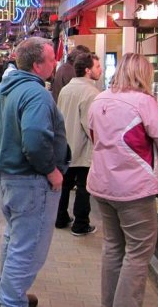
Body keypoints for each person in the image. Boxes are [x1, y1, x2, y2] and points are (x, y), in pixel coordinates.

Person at [87, 53, 158, 307]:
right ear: (143, 74)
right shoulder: (143, 102)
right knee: (137, 254)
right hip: (135, 189)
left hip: (102, 184)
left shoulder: (99, 98)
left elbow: (93, 135)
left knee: (113, 247)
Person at [0, 37, 70, 307]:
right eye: (51, 59)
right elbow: (35, 139)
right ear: (37, 65)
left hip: (9, 177)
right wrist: (51, 171)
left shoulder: (6, 87)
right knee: (28, 249)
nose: (55, 62)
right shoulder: (36, 93)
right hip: (30, 182)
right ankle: (11, 301)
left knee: (15, 240)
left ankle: (7, 295)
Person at [55, 52, 102, 236]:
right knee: (83, 188)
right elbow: (90, 125)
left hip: (65, 147)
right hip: (83, 149)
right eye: (98, 67)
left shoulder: (67, 89)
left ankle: (60, 218)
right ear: (88, 70)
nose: (101, 70)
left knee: (64, 185)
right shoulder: (91, 93)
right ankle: (81, 224)